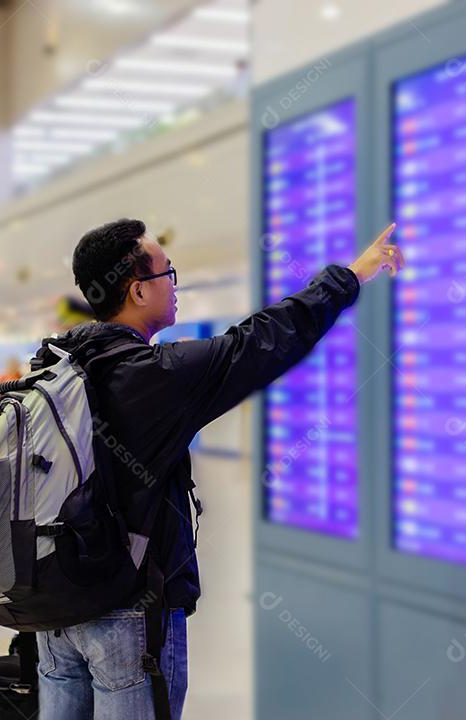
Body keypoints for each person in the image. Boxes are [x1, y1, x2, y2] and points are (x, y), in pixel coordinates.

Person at [31, 218, 403, 719]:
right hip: (126, 613)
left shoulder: (61, 363)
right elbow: (262, 341)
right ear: (139, 290)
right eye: (169, 273)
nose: (175, 285)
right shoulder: (152, 377)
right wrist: (353, 274)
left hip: (56, 608)